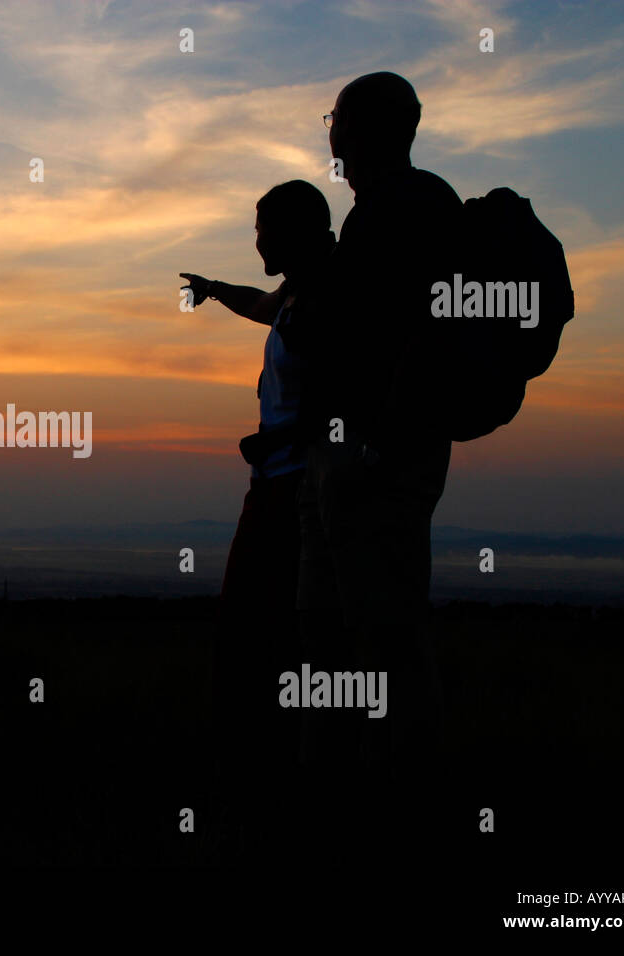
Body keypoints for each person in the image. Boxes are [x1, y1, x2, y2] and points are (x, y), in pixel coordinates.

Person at [291, 73, 461, 794]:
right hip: (355, 456)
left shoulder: (405, 208)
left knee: (385, 634)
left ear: (357, 127)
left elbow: (419, 341)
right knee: (333, 631)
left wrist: (374, 445)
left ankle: (404, 792)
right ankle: (341, 778)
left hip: (376, 460)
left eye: (334, 116)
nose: (328, 130)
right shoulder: (392, 208)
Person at [179, 179, 335, 858]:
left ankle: (272, 791)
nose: (257, 239)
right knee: (264, 633)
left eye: (264, 228)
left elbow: (338, 402)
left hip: (298, 494)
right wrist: (216, 289)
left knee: (264, 632)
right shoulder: (302, 291)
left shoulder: (330, 296)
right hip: (276, 485)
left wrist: (281, 445)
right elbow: (264, 307)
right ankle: (271, 779)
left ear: (297, 230)